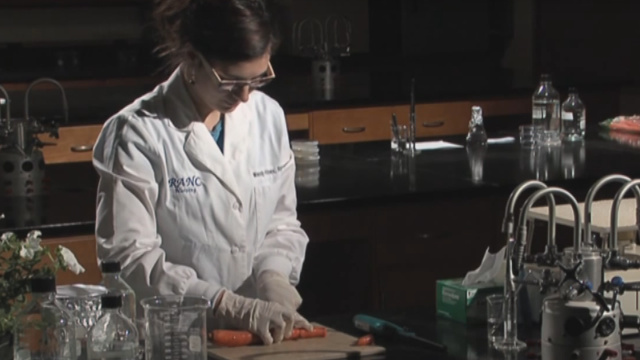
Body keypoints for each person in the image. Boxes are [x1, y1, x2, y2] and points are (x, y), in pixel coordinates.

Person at [92, 0, 312, 345]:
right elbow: (129, 258)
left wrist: (274, 275)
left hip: (259, 337)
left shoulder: (267, 118)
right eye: (230, 80)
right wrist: (224, 303)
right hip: (174, 336)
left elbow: (280, 223)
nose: (243, 96)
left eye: (257, 79)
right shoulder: (137, 133)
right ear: (193, 60)